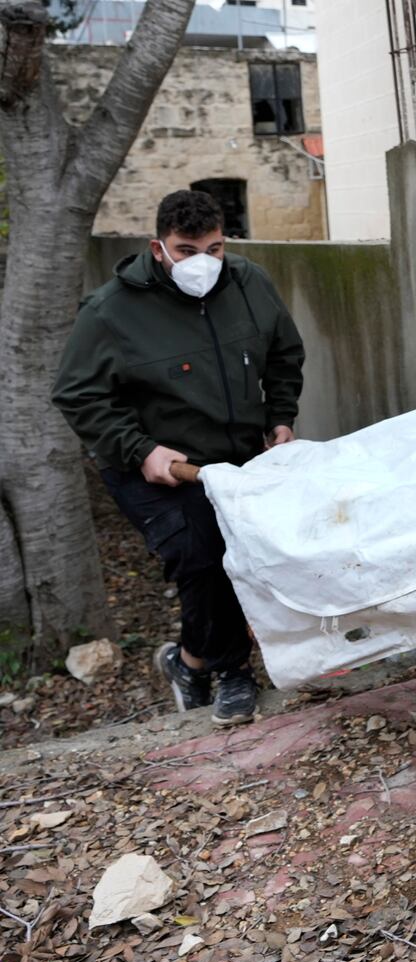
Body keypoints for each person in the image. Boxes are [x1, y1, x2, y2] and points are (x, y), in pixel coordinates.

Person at [53, 189, 305, 727]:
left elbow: (284, 354)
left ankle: (188, 663)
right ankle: (233, 674)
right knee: (202, 552)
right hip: (150, 464)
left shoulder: (249, 284)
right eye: (186, 251)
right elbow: (77, 394)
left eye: (213, 249)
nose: (202, 264)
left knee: (245, 552)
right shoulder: (111, 312)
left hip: (232, 456)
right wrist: (139, 449)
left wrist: (280, 418)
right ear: (159, 248)